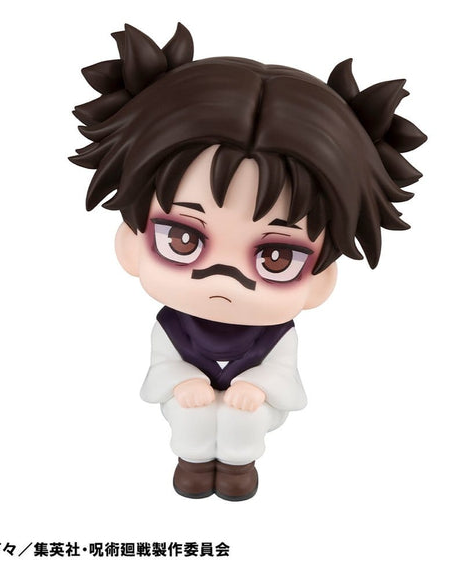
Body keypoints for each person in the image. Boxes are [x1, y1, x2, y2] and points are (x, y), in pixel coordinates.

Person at [70, 23, 426, 500]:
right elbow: (162, 367)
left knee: (245, 420)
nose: (224, 277)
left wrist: (258, 388)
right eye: (182, 239)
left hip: (255, 409)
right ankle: (193, 463)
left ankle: (238, 468)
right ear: (131, 245)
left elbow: (283, 376)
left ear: (320, 280)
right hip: (188, 405)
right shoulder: (171, 326)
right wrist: (183, 382)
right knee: (192, 416)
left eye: (276, 257)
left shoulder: (277, 335)